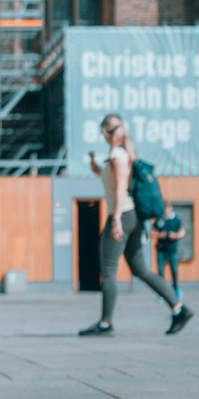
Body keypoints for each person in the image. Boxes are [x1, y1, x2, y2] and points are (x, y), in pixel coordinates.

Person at [81, 114, 192, 337]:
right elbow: (113, 181)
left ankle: (105, 322)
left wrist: (114, 220)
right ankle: (179, 308)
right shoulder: (125, 154)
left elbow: (121, 186)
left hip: (122, 214)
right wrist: (95, 166)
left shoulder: (116, 155)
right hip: (133, 216)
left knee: (109, 270)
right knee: (140, 269)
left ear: (105, 133)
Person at [154, 201, 185, 301]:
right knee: (160, 272)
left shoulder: (176, 220)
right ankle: (161, 293)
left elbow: (182, 232)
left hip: (172, 250)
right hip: (161, 250)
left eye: (168, 208)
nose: (166, 210)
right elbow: (151, 232)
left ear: (171, 208)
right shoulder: (159, 220)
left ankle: (176, 290)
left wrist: (175, 235)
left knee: (174, 271)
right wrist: (159, 235)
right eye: (165, 208)